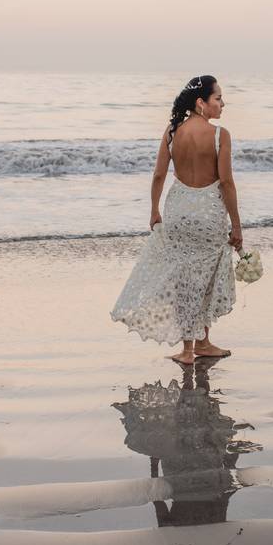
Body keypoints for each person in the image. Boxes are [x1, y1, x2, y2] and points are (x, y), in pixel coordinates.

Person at [110, 75, 242, 364]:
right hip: (208, 214)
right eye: (218, 98)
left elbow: (158, 175)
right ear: (201, 103)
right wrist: (237, 226)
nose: (222, 104)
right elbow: (227, 183)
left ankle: (187, 350)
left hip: (179, 212)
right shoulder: (221, 135)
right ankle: (203, 342)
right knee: (206, 279)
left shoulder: (172, 132)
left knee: (185, 280)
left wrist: (154, 210)